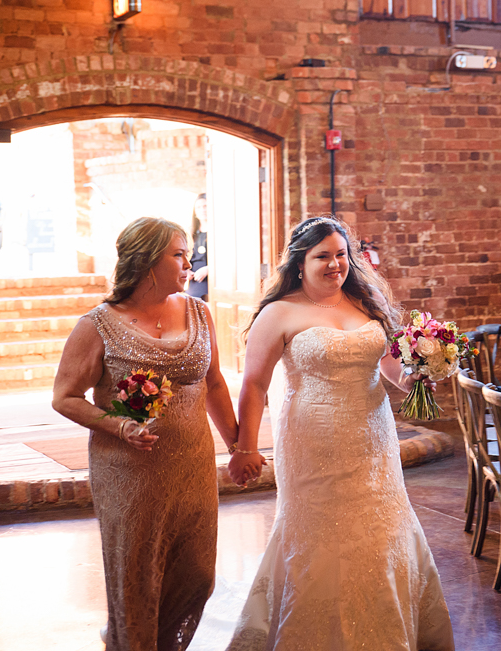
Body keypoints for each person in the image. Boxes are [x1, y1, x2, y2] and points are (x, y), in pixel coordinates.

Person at [224, 217, 455, 650]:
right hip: (313, 443)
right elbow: (253, 384)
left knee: (381, 529)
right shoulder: (279, 313)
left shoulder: (364, 304)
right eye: (323, 256)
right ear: (299, 263)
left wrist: (423, 371)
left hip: (373, 438)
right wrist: (246, 447)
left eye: (341, 254)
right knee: (319, 535)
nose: (335, 264)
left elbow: (391, 371)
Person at [52, 217, 244, 651]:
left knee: (197, 575)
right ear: (147, 262)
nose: (189, 261)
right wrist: (119, 425)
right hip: (130, 473)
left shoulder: (199, 312)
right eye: (178, 253)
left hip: (192, 464)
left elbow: (214, 383)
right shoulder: (98, 324)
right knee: (136, 582)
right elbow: (64, 397)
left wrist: (237, 444)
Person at [186, 193, 209, 301]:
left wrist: (209, 269)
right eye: (198, 207)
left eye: (205, 206)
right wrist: (186, 271)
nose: (202, 210)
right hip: (194, 279)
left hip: (212, 279)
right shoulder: (191, 232)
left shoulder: (218, 230)